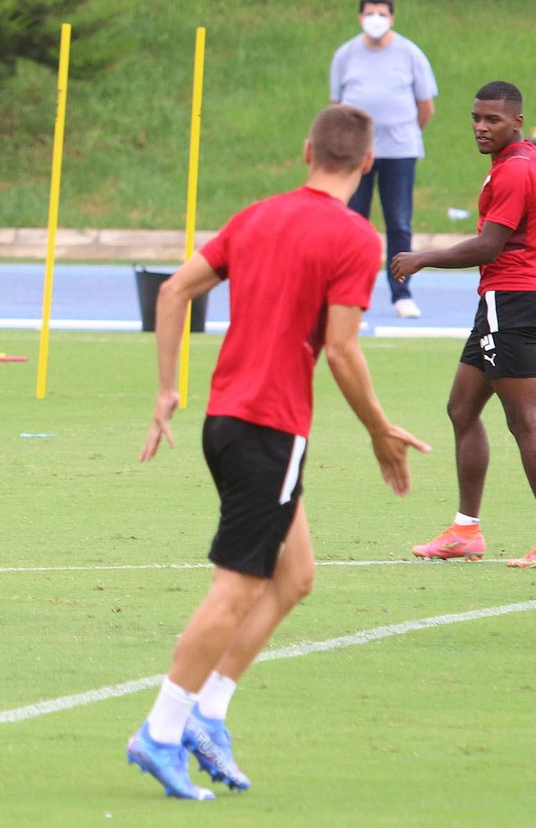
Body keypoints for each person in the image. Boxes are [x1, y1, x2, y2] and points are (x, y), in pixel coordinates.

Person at [127, 104, 430, 800]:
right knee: (237, 588)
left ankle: (209, 714)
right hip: (269, 426)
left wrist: (168, 390)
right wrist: (380, 429)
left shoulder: (257, 215)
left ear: (305, 152)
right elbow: (343, 350)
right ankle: (161, 730)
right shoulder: (355, 238)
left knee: (294, 577)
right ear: (368, 166)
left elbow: (174, 290)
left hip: (226, 421)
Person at [391, 80, 536, 568]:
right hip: (512, 298)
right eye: (476, 117)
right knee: (462, 408)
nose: (480, 127)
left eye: (492, 119)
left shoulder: (514, 172)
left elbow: (488, 246)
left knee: (525, 419)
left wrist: (422, 258)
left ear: (517, 121)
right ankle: (465, 531)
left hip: (509, 300)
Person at [329, 0, 438, 319]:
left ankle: (401, 293)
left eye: (382, 14)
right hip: (357, 154)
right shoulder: (345, 55)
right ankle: (350, 293)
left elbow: (426, 107)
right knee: (353, 223)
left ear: (392, 18)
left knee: (399, 222)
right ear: (360, 17)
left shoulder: (410, 54)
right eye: (369, 13)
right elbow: (337, 106)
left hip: (400, 151)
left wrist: (403, 135)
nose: (375, 19)